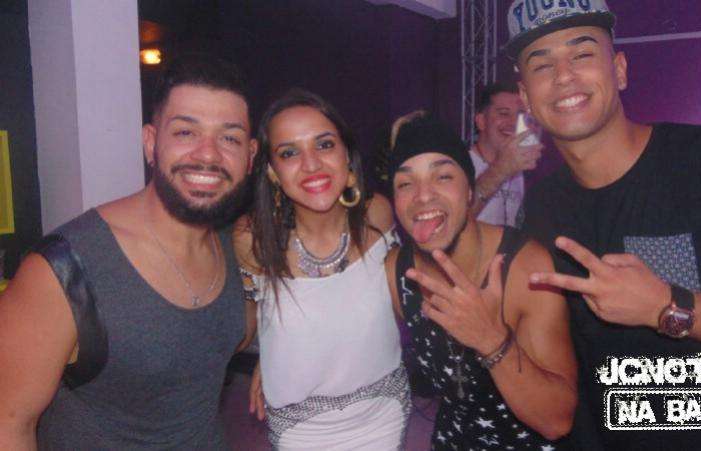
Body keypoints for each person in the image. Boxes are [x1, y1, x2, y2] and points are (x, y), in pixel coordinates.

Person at [505, 0, 701, 449]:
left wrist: (667, 306)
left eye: (582, 53)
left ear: (619, 70)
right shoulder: (539, 210)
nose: (563, 76)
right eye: (541, 65)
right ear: (526, 97)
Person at [0, 53, 258, 449]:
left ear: (250, 157)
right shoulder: (64, 270)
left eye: (229, 138)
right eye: (185, 132)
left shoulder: (235, 243)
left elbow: (218, 342)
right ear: (151, 143)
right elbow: (8, 423)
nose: (208, 154)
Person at [385, 112, 577, 449]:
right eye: (404, 183)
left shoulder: (524, 267)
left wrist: (490, 339)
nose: (423, 195)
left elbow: (557, 421)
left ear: (471, 190)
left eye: (443, 176)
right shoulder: (397, 270)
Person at [237, 89, 410, 450]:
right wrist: (270, 355)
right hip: (299, 426)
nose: (311, 164)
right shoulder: (252, 239)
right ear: (272, 172)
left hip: (383, 409)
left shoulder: (377, 214)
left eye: (325, 145)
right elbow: (244, 328)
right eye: (289, 153)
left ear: (347, 154)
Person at [469, 82, 542, 227]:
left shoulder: (522, 172)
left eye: (521, 115)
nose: (514, 123)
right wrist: (500, 169)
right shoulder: (459, 166)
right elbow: (454, 223)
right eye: (503, 113)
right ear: (481, 121)